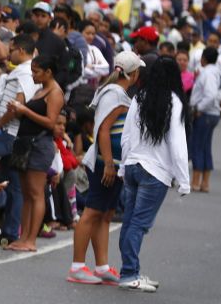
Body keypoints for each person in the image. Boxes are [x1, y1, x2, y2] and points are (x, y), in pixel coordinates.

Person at [68, 51, 142, 285]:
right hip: (105, 165)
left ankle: (101, 266)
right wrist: (109, 163)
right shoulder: (115, 94)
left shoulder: (117, 93)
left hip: (115, 165)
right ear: (133, 73)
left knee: (105, 214)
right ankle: (77, 266)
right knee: (91, 212)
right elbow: (103, 130)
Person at [118, 56, 189, 292]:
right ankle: (129, 274)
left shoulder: (139, 97)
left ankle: (130, 271)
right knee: (139, 224)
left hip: (132, 166)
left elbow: (126, 136)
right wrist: (184, 181)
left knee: (130, 221)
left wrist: (122, 166)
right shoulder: (174, 102)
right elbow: (178, 145)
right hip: (155, 172)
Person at [0, 35, 37, 246]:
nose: (9, 54)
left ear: (21, 50)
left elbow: (16, 106)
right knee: (13, 184)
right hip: (11, 133)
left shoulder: (26, 73)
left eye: (11, 50)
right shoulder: (24, 72)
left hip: (9, 133)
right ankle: (9, 231)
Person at [5, 55, 64, 252]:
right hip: (26, 144)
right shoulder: (41, 90)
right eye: (32, 70)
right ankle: (23, 237)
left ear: (49, 72)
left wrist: (25, 110)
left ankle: (31, 240)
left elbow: (50, 122)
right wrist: (18, 110)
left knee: (37, 193)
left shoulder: (55, 92)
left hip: (39, 145)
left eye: (36, 71)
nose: (33, 75)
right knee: (27, 193)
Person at [190, 48, 221, 192]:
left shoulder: (208, 73)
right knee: (205, 147)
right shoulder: (215, 72)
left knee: (197, 146)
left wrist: (199, 109)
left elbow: (210, 95)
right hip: (212, 113)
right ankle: (205, 182)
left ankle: (196, 181)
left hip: (205, 113)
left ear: (204, 58)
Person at [78, 20, 110, 85]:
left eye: (93, 34)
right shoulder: (74, 48)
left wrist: (91, 66)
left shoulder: (94, 49)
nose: (91, 37)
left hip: (92, 89)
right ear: (80, 32)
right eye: (88, 33)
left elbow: (106, 69)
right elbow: (79, 71)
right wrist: (97, 68)